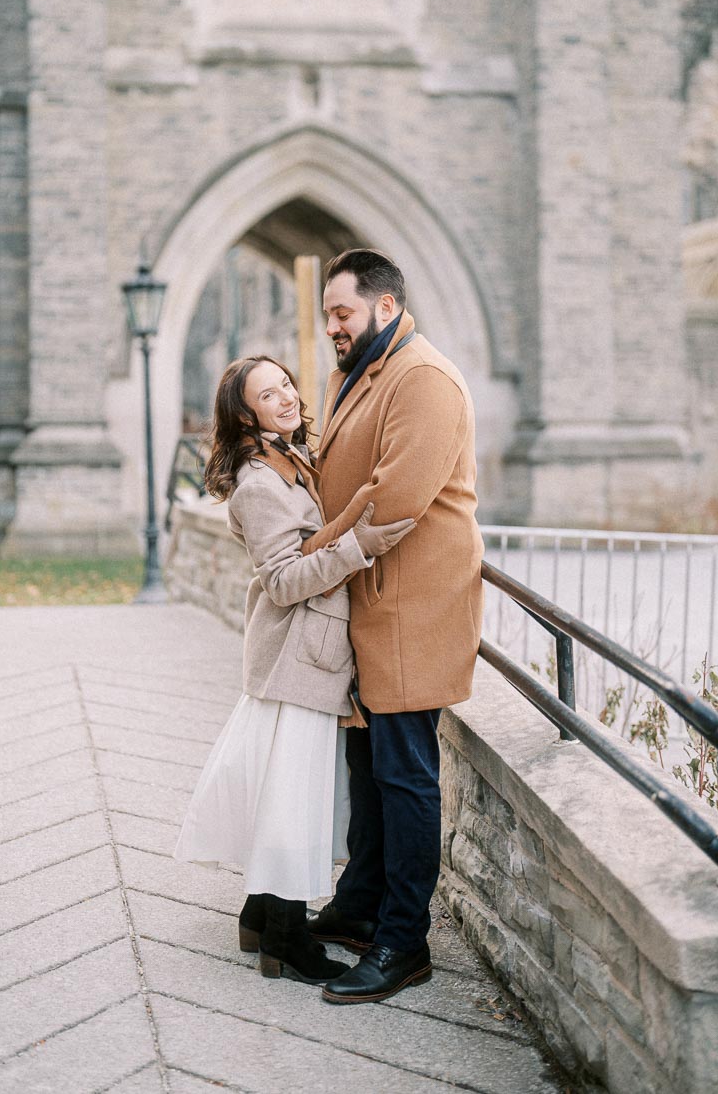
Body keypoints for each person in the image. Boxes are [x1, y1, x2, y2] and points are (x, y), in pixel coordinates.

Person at [174, 355, 414, 985]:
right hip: (297, 653)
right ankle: (286, 940)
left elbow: (309, 538)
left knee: (287, 790)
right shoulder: (259, 482)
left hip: (306, 652)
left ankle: (258, 918)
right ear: (245, 414)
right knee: (294, 799)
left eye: (285, 384)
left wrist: (350, 518)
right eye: (267, 393)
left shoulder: (289, 459)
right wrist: (360, 547)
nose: (284, 396)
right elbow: (282, 579)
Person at [302, 248, 484, 1005]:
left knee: (405, 775)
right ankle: (360, 904)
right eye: (327, 319)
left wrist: (309, 556)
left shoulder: (425, 378)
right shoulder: (364, 371)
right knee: (365, 768)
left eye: (341, 314)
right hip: (370, 601)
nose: (333, 330)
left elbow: (395, 497)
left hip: (412, 605)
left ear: (383, 306)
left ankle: (404, 943)